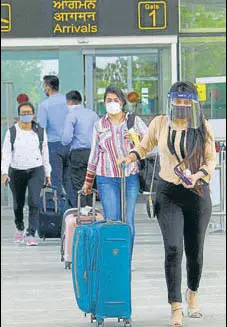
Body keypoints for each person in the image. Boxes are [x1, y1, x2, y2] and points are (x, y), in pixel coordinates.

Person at [118, 81, 216, 326]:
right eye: (177, 101)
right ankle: (175, 305)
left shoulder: (202, 127)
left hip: (197, 193)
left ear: (193, 104)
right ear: (170, 101)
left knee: (195, 252)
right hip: (168, 193)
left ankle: (192, 293)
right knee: (173, 249)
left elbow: (211, 159)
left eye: (186, 102)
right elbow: (145, 145)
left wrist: (198, 174)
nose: (181, 106)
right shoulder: (160, 123)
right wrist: (131, 156)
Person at [83, 85, 148, 255]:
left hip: (130, 177)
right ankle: (113, 257)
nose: (112, 103)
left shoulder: (134, 121)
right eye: (108, 100)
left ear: (122, 102)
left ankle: (126, 258)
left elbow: (148, 146)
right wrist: (88, 182)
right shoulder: (99, 125)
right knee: (112, 220)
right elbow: (94, 154)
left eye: (115, 100)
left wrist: (136, 138)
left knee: (127, 221)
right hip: (106, 178)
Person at [1, 101, 51, 246]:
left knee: (34, 201)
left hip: (36, 170)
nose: (26, 115)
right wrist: (4, 172)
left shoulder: (40, 132)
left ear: (33, 114)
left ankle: (31, 232)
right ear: (19, 116)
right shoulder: (12, 131)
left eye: (28, 113)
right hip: (16, 171)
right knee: (18, 203)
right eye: (23, 113)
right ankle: (19, 227)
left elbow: (45, 153)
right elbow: (6, 154)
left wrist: (47, 173)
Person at [37, 75, 74, 206]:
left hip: (53, 146)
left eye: (44, 86)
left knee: (55, 180)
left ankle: (55, 212)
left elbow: (42, 129)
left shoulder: (44, 105)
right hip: (70, 145)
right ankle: (74, 210)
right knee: (69, 180)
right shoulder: (68, 102)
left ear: (47, 87)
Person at [62, 90, 99, 207]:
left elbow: (66, 139)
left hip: (78, 154)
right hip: (93, 153)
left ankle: (82, 214)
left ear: (69, 101)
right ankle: (90, 212)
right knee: (90, 184)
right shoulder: (93, 114)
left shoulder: (71, 115)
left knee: (79, 186)